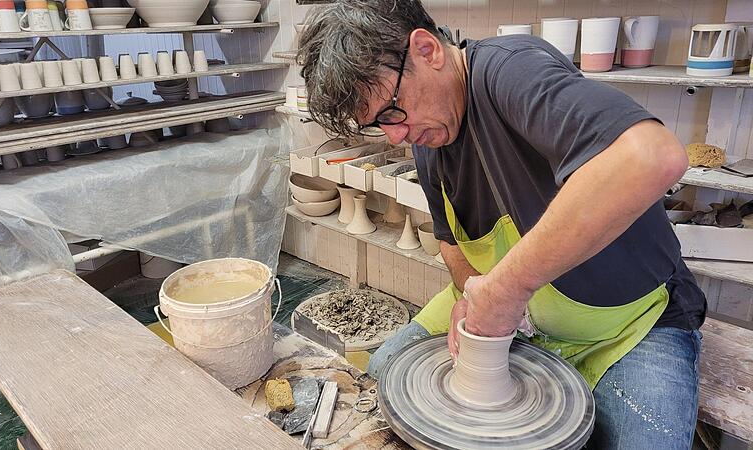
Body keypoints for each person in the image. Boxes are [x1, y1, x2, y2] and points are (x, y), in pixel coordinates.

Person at [297, 1, 707, 448]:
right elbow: (451, 241)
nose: (395, 135)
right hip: (516, 319)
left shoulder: (511, 72)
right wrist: (476, 299)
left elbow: (651, 156)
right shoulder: (427, 130)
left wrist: (505, 290)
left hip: (628, 324)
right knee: (382, 378)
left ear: (427, 50)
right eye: (378, 125)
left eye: (392, 113)